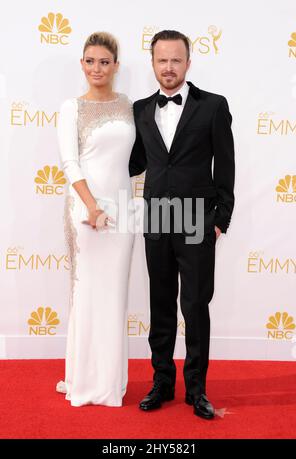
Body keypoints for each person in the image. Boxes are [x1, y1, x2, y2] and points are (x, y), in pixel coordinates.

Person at [129, 30, 235, 419]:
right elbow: (134, 161)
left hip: (196, 214)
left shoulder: (212, 106)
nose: (168, 67)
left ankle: (197, 389)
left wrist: (220, 217)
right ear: (152, 63)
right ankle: (161, 382)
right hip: (156, 213)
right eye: (162, 60)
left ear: (188, 63)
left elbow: (225, 162)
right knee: (160, 304)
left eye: (176, 60)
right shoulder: (140, 109)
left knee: (194, 305)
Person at [56, 32, 135, 407]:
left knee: (114, 295)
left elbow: (138, 161)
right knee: (87, 293)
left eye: (104, 62)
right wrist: (91, 207)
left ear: (116, 66)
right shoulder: (71, 107)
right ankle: (84, 381)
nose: (96, 68)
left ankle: (109, 381)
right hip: (86, 211)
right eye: (90, 61)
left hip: (123, 213)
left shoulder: (128, 105)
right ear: (82, 64)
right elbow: (70, 163)